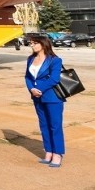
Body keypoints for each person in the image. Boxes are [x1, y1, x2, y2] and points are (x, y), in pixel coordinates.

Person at [25, 36, 65, 167]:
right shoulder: (30, 59)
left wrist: (39, 89)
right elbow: (27, 76)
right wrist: (31, 89)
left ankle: (57, 153)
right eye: (31, 43)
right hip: (37, 97)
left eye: (35, 43)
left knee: (55, 126)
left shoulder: (55, 60)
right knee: (44, 126)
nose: (32, 45)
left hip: (52, 97)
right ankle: (48, 151)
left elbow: (54, 79)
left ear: (43, 44)